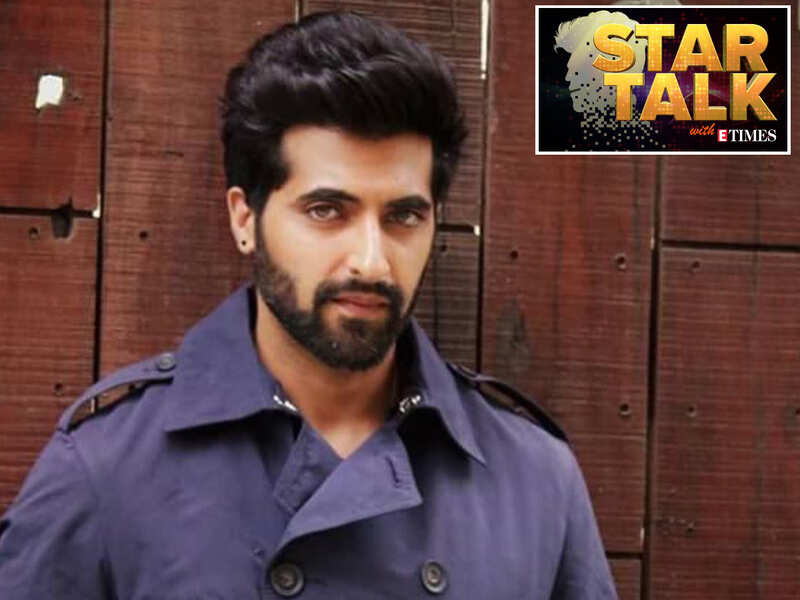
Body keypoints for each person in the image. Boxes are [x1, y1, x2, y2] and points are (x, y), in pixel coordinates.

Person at [0, 11, 617, 599]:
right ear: (245, 218)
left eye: (404, 216)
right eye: (327, 211)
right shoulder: (107, 467)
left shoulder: (534, 478)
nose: (371, 262)